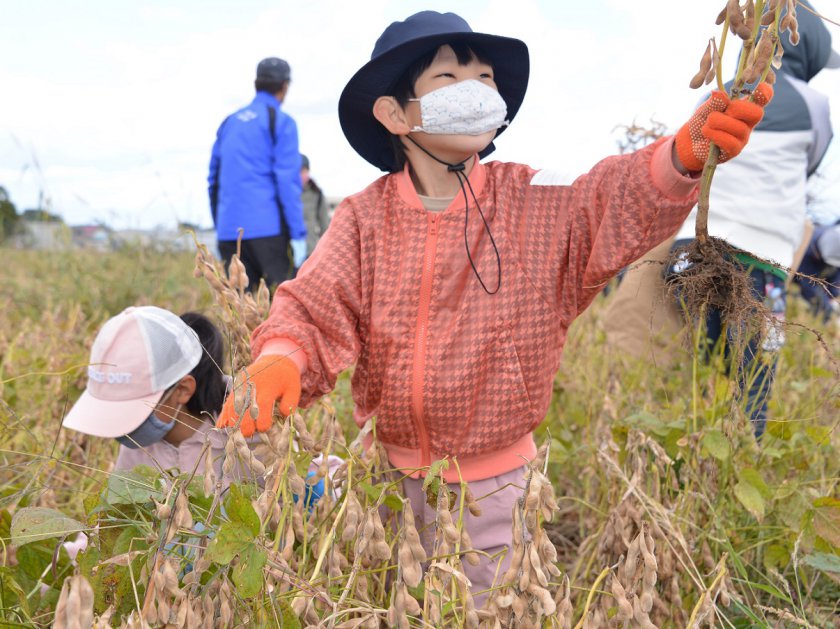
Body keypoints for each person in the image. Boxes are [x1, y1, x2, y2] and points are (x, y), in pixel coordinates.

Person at [217, 11, 770, 597]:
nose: (478, 88)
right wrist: (283, 354)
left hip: (497, 487)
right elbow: (315, 302)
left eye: (485, 77)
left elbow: (607, 196)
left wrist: (680, 155)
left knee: (488, 605)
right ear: (394, 114)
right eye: (451, 76)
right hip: (387, 475)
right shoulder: (363, 219)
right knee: (391, 599)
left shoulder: (532, 199)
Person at [603, 0, 837, 438]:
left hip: (691, 247)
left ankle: (673, 452)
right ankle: (739, 457)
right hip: (760, 263)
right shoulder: (815, 104)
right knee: (752, 379)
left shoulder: (721, 90)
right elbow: (812, 161)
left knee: (690, 370)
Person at [62, 306, 233, 479]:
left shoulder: (248, 437)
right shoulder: (136, 451)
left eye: (130, 412)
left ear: (182, 390)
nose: (120, 427)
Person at [208, 57, 307, 290]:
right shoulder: (281, 122)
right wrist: (298, 234)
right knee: (279, 308)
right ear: (284, 86)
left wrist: (220, 224)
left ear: (256, 84)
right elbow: (287, 181)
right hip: (268, 232)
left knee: (240, 310)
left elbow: (213, 181)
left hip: (229, 233)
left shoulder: (229, 123)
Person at [794, 220, 840, 321]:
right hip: (803, 267)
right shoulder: (807, 247)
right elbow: (808, 284)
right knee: (820, 304)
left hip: (827, 260)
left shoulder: (835, 246)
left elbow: (835, 281)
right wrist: (826, 305)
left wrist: (834, 297)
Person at [299, 154, 331, 264]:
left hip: (311, 251)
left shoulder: (316, 194)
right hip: (290, 251)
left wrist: (325, 252)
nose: (301, 175)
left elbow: (325, 225)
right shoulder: (287, 194)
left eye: (304, 171)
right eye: (298, 171)